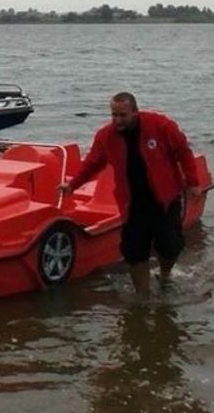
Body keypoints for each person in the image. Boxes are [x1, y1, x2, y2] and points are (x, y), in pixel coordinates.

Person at [59, 92, 204, 296]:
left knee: (170, 245)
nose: (117, 120)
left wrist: (194, 183)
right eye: (114, 115)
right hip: (132, 203)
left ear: (135, 112)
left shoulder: (161, 125)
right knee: (134, 251)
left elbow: (183, 152)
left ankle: (165, 275)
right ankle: (142, 295)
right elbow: (92, 163)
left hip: (165, 198)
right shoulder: (106, 136)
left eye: (123, 115)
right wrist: (72, 185)